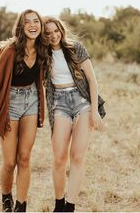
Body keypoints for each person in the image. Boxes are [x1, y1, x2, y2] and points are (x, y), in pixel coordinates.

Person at [0, 9, 48, 212]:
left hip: (32, 102)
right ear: (21, 26)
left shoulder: (43, 50)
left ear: (40, 25)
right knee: (10, 162)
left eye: (36, 21)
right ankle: (6, 199)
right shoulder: (11, 51)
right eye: (27, 22)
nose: (32, 25)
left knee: (25, 158)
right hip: (10, 103)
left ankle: (21, 205)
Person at [44, 17, 106, 212]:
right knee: (59, 157)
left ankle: (70, 207)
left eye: (56, 31)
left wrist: (94, 110)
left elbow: (92, 80)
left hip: (82, 103)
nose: (53, 36)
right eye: (48, 33)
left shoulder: (75, 48)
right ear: (43, 36)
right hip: (59, 103)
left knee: (77, 156)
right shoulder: (42, 55)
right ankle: (59, 204)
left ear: (61, 30)